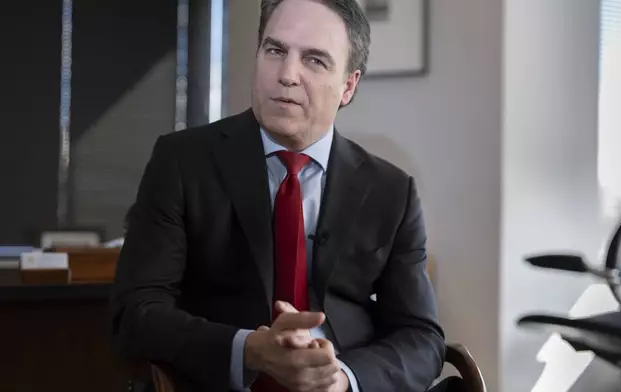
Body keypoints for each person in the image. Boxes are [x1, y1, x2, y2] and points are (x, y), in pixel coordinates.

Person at [110, 0, 448, 391]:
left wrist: (342, 380)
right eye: (275, 51)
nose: (287, 75)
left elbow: (422, 338)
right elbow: (134, 314)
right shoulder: (183, 163)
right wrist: (250, 350)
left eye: (315, 60)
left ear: (348, 86)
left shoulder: (391, 191)